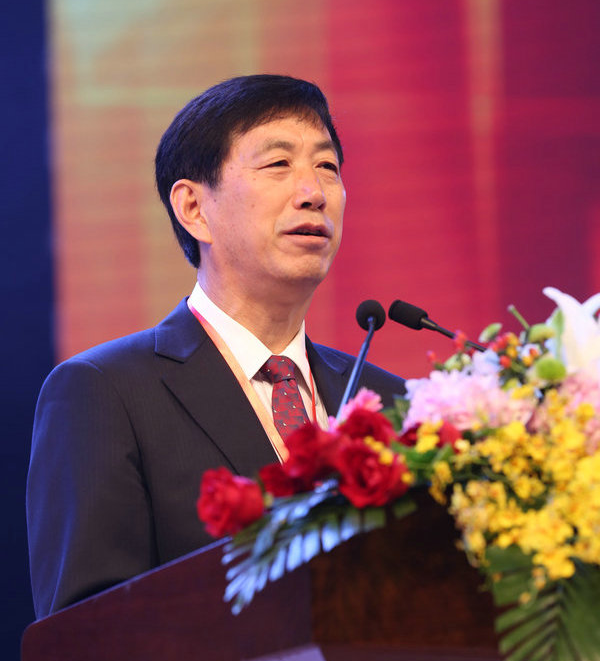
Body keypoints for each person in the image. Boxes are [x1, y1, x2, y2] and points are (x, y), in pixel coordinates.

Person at [27, 75, 405, 619]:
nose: (314, 192)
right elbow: (87, 635)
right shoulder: (105, 392)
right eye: (278, 164)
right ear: (193, 209)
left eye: (328, 166)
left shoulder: (390, 400)